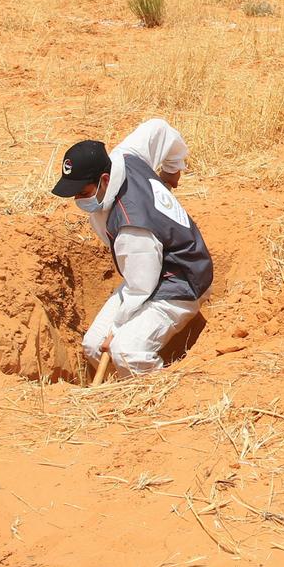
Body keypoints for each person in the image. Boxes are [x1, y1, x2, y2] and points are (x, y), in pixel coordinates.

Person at [53, 118, 213, 376]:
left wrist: (116, 330)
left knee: (126, 352)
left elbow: (142, 287)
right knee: (93, 345)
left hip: (180, 280)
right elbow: (159, 129)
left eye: (82, 192)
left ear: (104, 179)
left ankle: (150, 400)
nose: (77, 199)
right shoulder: (125, 157)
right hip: (150, 268)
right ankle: (118, 391)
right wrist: (172, 170)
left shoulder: (132, 227)